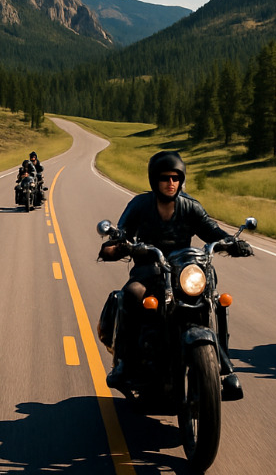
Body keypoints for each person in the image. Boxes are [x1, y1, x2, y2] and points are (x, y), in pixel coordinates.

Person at [98, 150, 253, 394]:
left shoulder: (190, 206)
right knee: (132, 293)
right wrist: (115, 246)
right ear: (154, 181)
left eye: (175, 178)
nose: (171, 183)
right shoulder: (140, 205)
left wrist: (231, 242)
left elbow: (211, 230)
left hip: (184, 270)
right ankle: (125, 363)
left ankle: (224, 367)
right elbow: (122, 233)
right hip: (149, 270)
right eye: (165, 178)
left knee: (214, 297)